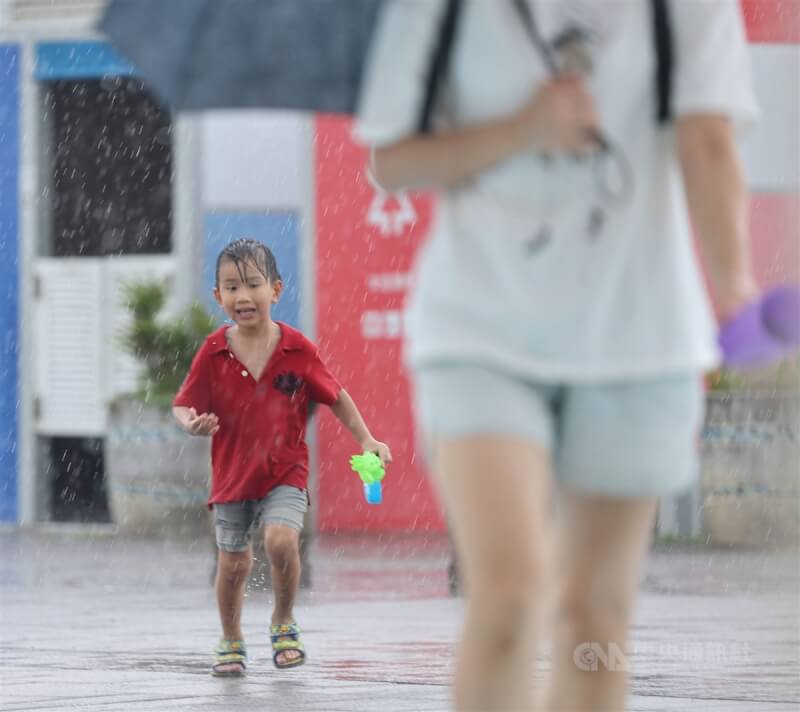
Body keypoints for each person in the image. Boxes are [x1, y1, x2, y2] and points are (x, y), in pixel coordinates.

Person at [354, 1, 758, 710]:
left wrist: (735, 293)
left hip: (639, 334)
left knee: (596, 618)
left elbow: (708, 140)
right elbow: (392, 159)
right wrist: (522, 131)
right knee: (508, 596)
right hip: (479, 330)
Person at [173, 238, 391, 676]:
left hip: (285, 471)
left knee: (280, 540)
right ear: (218, 297)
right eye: (231, 288)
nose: (243, 296)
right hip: (233, 474)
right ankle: (231, 639)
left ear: (275, 289)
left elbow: (337, 396)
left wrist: (367, 439)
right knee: (232, 562)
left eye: (253, 284)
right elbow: (183, 402)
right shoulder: (214, 352)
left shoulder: (298, 349)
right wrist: (190, 423)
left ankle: (283, 621)